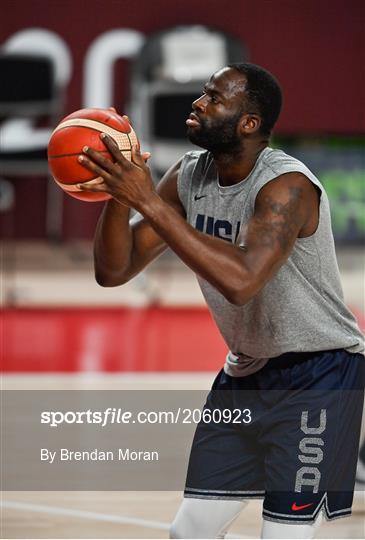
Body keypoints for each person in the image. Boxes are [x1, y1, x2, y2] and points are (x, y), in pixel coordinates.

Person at [78, 63, 365, 539]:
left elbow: (242, 280)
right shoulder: (190, 175)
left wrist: (147, 201)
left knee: (283, 536)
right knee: (188, 532)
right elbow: (114, 270)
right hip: (246, 374)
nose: (197, 103)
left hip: (320, 376)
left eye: (213, 98)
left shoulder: (286, 186)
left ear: (248, 123)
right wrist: (119, 193)